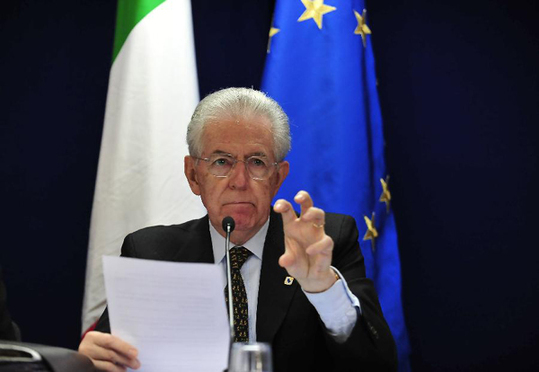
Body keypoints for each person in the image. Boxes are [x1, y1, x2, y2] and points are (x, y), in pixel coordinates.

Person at [78, 88, 397, 371]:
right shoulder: (150, 253)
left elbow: (378, 365)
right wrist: (89, 364)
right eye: (221, 162)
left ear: (278, 177)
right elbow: (110, 359)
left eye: (257, 162)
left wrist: (322, 288)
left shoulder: (322, 243)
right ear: (193, 175)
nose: (240, 181)